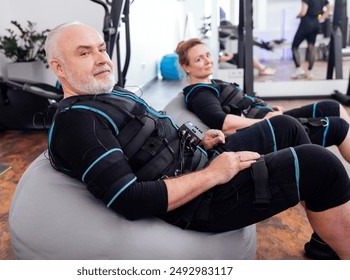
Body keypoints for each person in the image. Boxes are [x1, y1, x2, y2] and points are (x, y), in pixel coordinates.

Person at [44, 22, 350, 259]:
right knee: (320, 164)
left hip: (200, 161)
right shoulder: (78, 122)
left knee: (285, 126)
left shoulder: (109, 93)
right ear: (59, 67)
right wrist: (213, 174)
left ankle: (326, 236)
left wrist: (201, 142)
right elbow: (129, 199)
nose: (102, 60)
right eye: (85, 53)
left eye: (102, 49)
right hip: (199, 200)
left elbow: (150, 140)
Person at [176, 38, 350, 164]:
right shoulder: (200, 93)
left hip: (267, 117)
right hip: (267, 127)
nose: (207, 61)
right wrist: (263, 119)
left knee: (331, 106)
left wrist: (266, 108)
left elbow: (240, 105)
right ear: (186, 67)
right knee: (338, 127)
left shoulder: (213, 83)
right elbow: (224, 124)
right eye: (199, 59)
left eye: (207, 55)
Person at [291, 0, 332, 79]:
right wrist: (321, 18)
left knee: (294, 46)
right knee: (311, 46)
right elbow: (329, 8)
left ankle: (299, 69)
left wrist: (297, 16)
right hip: (316, 23)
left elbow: (303, 12)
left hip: (306, 23)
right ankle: (310, 71)